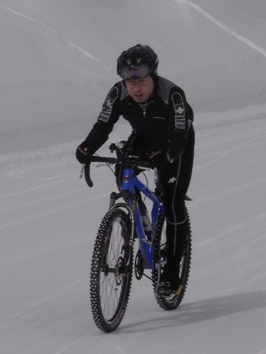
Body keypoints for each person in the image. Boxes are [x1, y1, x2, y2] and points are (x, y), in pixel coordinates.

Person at [76, 44, 195, 296]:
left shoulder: (172, 94)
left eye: (141, 79)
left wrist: (169, 154)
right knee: (124, 172)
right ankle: (138, 217)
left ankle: (173, 269)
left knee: (172, 201)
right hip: (143, 136)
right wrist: (87, 146)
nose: (136, 87)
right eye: (130, 81)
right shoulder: (117, 93)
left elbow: (180, 134)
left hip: (176, 141)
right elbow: (103, 123)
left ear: (153, 76)